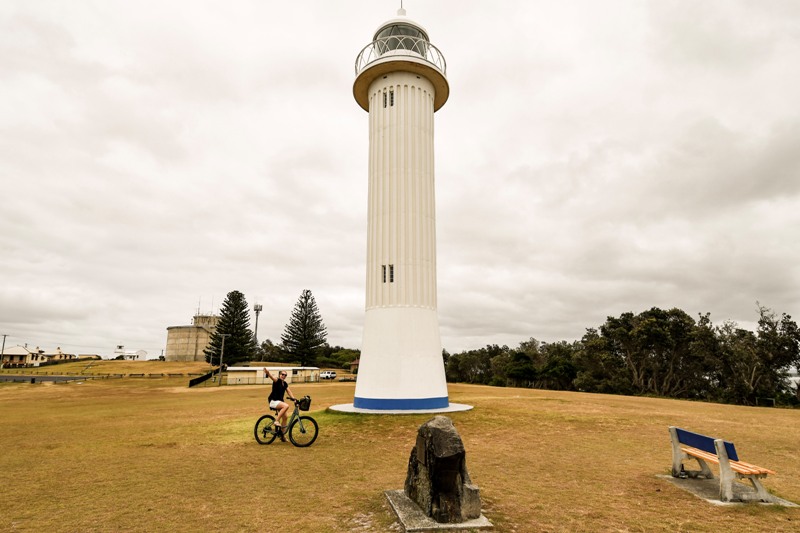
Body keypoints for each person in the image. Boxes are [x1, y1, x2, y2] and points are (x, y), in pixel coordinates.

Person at [264, 368, 296, 442]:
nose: (283, 376)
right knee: (286, 406)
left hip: (279, 402)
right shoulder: (277, 380)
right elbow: (272, 377)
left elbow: (289, 392)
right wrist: (268, 373)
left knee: (285, 417)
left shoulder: (285, 384)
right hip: (273, 401)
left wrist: (294, 399)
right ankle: (276, 421)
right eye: (282, 374)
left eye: (285, 375)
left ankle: (282, 436)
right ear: (280, 375)